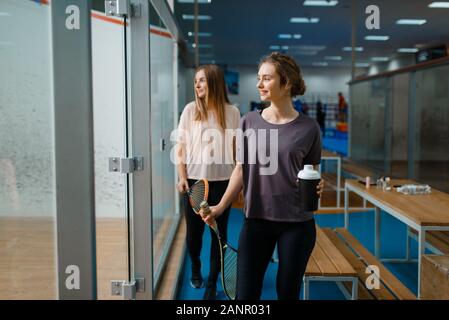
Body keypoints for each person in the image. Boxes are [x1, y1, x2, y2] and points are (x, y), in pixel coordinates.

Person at [201, 52, 324, 300]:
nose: (259, 84)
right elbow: (241, 168)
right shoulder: (249, 122)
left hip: (297, 225)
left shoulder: (310, 128)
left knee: (287, 293)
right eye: (259, 78)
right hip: (256, 220)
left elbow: (311, 172)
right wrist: (220, 207)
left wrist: (318, 185)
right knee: (246, 296)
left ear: (286, 82)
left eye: (266, 79)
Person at [176, 64, 241, 300]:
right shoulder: (190, 110)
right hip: (194, 183)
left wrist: (239, 184)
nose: (197, 85)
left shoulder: (232, 112)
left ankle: (212, 283)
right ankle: (195, 267)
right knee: (194, 237)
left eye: (202, 80)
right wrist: (182, 177)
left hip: (223, 183)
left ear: (213, 82)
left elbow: (236, 152)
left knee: (219, 236)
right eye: (195, 81)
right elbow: (180, 148)